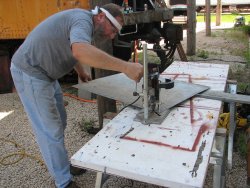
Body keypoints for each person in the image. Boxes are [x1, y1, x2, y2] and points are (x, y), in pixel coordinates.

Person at [10, 3, 143, 188]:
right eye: (113, 29)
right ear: (101, 17)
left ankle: (62, 164)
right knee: (50, 130)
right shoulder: (82, 20)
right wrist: (126, 67)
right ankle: (63, 182)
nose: (113, 36)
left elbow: (70, 46)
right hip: (31, 72)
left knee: (60, 121)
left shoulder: (86, 23)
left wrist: (79, 70)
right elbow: (79, 50)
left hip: (47, 75)